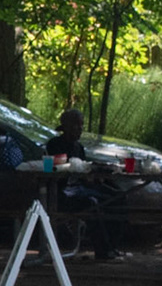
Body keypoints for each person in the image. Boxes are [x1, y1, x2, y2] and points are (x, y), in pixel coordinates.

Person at [44, 108, 125, 261]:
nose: (80, 128)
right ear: (66, 126)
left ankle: (113, 246)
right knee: (91, 203)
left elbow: (83, 170)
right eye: (76, 125)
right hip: (63, 191)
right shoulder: (55, 145)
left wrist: (95, 175)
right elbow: (56, 170)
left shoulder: (78, 147)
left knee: (117, 196)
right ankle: (102, 251)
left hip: (81, 188)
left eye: (81, 125)